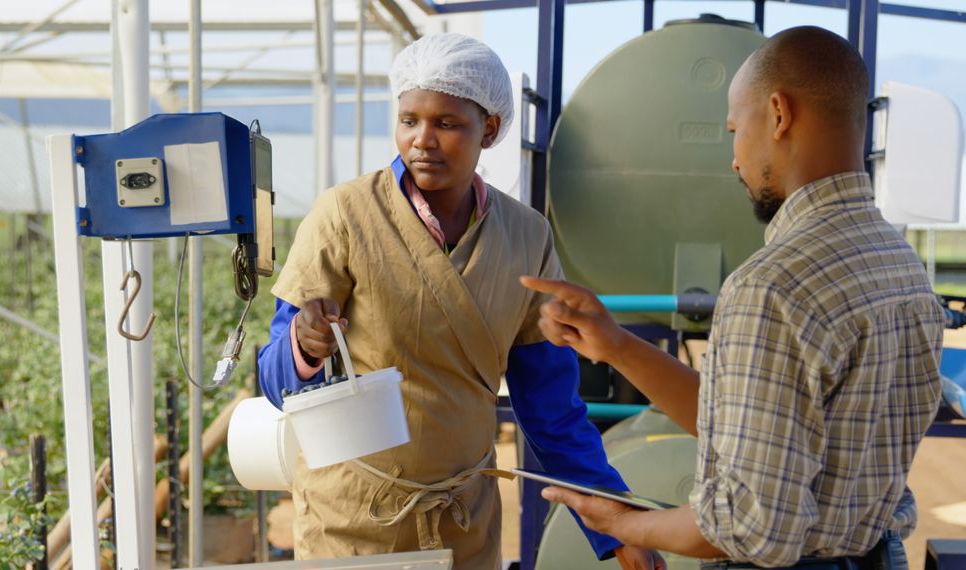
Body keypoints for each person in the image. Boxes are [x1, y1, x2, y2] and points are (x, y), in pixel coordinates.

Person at [522, 26, 944, 570]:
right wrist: (618, 345)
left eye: (733, 129)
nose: (733, 159)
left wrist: (622, 522)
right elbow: (761, 429)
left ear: (777, 114)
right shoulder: (899, 264)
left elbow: (750, 529)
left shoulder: (772, 286)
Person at [257, 33, 662, 569]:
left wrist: (617, 523)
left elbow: (551, 409)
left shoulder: (527, 238)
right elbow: (275, 382)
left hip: (463, 525)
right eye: (409, 120)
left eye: (446, 124)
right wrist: (303, 348)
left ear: (489, 129)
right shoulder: (344, 216)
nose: (422, 140)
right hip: (353, 524)